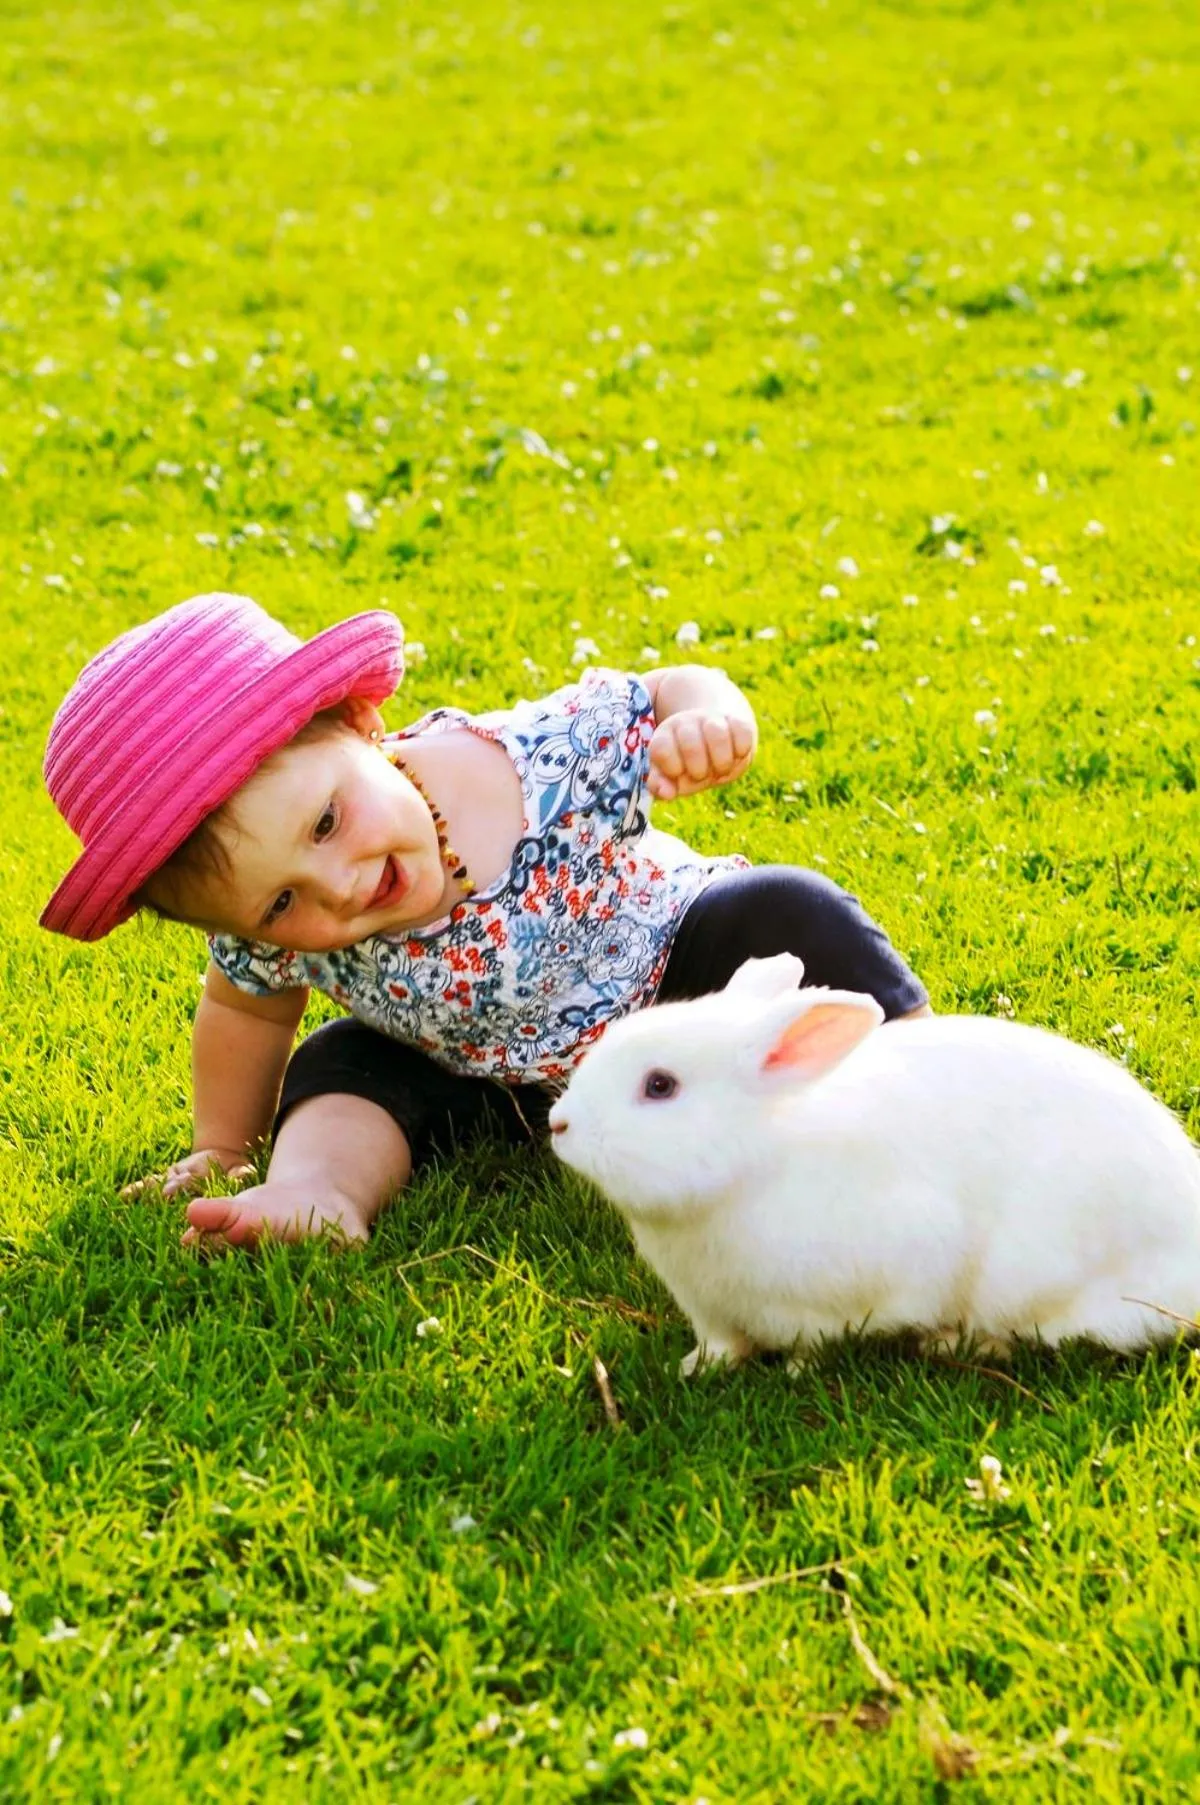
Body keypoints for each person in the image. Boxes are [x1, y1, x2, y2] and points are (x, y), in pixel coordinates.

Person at [41, 592, 929, 1249]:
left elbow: (660, 691)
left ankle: (933, 1071)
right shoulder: (268, 937)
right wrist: (222, 1144)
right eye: (281, 903)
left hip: (672, 975)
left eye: (325, 822)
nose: (337, 885)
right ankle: (314, 1191)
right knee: (341, 1062)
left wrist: (708, 716)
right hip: (488, 1073)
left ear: (359, 724)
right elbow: (243, 1011)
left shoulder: (531, 761)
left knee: (782, 908)